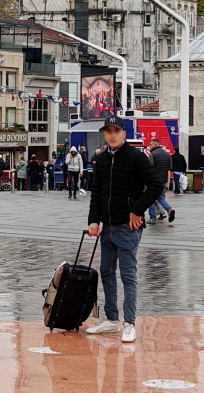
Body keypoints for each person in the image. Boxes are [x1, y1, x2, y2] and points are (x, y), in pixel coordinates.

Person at [85, 116, 164, 344]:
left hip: (128, 227)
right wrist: (94, 221)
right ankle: (111, 320)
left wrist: (137, 210)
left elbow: (156, 185)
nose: (111, 135)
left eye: (115, 131)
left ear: (123, 133)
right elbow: (97, 193)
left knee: (128, 274)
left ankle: (129, 323)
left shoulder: (136, 157)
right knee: (107, 273)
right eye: (107, 131)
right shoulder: (101, 160)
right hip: (107, 227)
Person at [146, 138, 175, 222]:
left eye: (151, 144)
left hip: (154, 180)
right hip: (164, 180)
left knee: (150, 198)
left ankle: (152, 218)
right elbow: (170, 167)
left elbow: (148, 168)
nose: (149, 146)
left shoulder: (152, 154)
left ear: (155, 145)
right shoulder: (167, 154)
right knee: (160, 197)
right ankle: (169, 210)